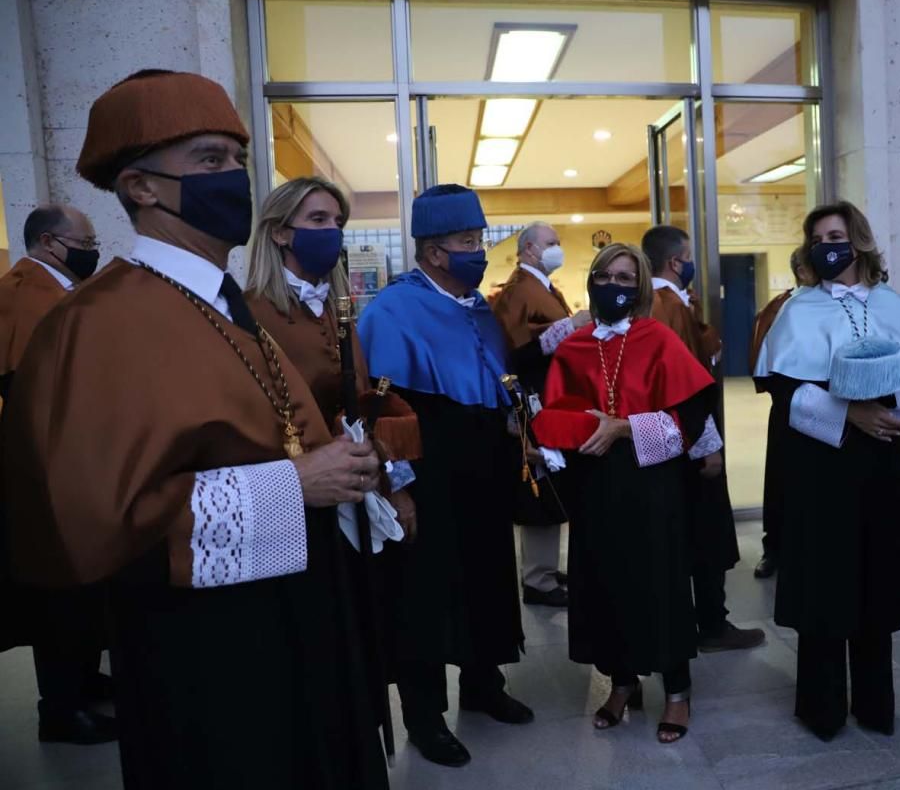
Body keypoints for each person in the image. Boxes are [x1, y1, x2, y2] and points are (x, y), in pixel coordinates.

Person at [1, 69, 389, 789]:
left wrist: (334, 462)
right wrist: (295, 483)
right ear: (141, 188)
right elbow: (92, 522)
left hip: (298, 611)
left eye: (239, 160)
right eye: (209, 160)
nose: (235, 178)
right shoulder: (98, 323)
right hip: (207, 649)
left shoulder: (219, 298)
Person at [755, 201, 900, 741]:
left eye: (836, 234)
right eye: (817, 237)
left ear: (858, 240)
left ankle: (875, 703)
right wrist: (850, 414)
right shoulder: (800, 308)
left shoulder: (892, 303)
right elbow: (784, 389)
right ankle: (822, 707)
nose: (827, 245)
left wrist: (897, 411)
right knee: (826, 582)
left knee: (874, 579)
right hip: (822, 465)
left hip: (881, 461)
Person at [358, 184, 529, 768]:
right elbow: (382, 412)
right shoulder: (392, 310)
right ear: (433, 252)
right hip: (429, 475)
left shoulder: (477, 307)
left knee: (485, 576)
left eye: (479, 240)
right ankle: (425, 717)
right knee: (423, 595)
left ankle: (485, 686)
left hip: (482, 470)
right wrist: (398, 486)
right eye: (467, 241)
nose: (478, 251)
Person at [532, 243, 715, 744]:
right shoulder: (574, 345)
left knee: (657, 582)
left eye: (625, 277)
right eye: (605, 276)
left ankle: (677, 691)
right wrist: (549, 445)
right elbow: (557, 412)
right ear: (592, 282)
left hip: (651, 484)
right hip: (595, 486)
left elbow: (692, 418)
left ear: (639, 289)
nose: (615, 285)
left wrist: (623, 428)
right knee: (604, 581)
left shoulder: (658, 339)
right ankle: (621, 682)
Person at [0, 204, 114, 745]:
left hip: (76, 467)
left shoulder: (60, 291)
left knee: (83, 587)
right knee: (57, 594)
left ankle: (85, 684)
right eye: (86, 240)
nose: (94, 250)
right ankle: (61, 709)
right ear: (49, 242)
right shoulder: (24, 295)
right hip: (47, 475)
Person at [243, 176, 420, 523]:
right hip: (298, 501)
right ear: (280, 233)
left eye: (337, 222)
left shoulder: (337, 312)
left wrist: (397, 485)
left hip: (358, 490)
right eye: (318, 219)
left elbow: (368, 410)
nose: (332, 231)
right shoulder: (251, 315)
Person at [643, 224, 764, 653]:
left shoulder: (667, 302)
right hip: (690, 433)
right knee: (706, 533)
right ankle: (712, 624)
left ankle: (699, 621)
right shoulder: (666, 305)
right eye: (689, 255)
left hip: (679, 432)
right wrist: (706, 441)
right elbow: (682, 382)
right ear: (676, 262)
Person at [490, 221, 589, 608]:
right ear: (529, 249)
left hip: (552, 397)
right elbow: (516, 350)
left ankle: (544, 568)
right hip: (531, 403)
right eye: (551, 243)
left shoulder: (544, 287)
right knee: (540, 484)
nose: (557, 249)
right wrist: (569, 326)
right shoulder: (518, 291)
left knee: (553, 485)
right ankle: (537, 579)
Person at [747, 246, 815, 580]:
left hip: (834, 410)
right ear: (802, 271)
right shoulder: (783, 306)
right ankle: (774, 548)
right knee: (781, 481)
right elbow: (765, 360)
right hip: (790, 408)